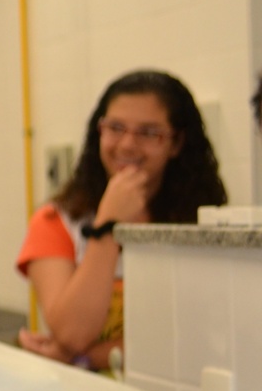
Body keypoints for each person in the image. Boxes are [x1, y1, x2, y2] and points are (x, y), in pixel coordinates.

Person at [17, 70, 225, 370]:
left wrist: (83, 357)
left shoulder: (202, 222)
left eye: (149, 133)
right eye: (115, 128)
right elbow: (73, 333)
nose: (127, 145)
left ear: (176, 143)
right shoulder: (54, 222)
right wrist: (109, 224)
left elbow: (200, 338)